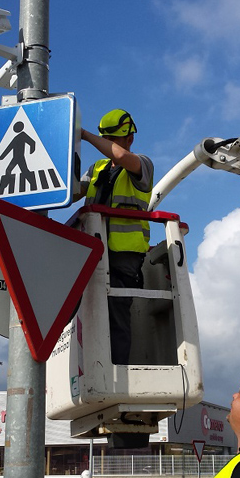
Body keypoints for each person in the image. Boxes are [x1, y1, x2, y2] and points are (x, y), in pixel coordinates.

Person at [75, 109, 154, 365]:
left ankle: (116, 372)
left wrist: (85, 135)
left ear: (129, 140)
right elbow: (72, 192)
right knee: (87, 312)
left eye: (113, 140)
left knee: (117, 314)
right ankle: (92, 367)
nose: (109, 145)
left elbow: (120, 156)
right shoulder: (96, 168)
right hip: (90, 251)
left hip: (123, 256)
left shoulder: (142, 164)